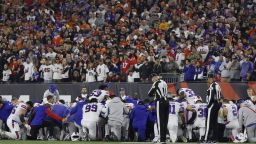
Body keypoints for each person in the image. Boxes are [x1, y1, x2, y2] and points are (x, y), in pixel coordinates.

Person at [148, 73, 169, 143]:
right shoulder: (164, 82)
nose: (152, 80)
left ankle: (161, 139)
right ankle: (164, 138)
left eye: (152, 78)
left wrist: (154, 94)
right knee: (165, 121)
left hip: (160, 101)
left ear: (154, 77)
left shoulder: (156, 83)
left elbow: (149, 93)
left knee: (160, 121)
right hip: (166, 101)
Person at [204, 74, 222, 142]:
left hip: (212, 104)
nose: (207, 81)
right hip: (217, 104)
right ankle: (215, 139)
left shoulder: (212, 85)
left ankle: (206, 139)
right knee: (214, 122)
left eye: (208, 79)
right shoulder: (217, 84)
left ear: (210, 78)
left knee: (208, 122)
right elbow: (219, 96)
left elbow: (211, 97)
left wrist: (208, 106)